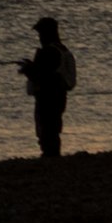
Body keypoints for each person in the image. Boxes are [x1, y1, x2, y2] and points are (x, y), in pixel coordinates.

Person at [15, 15, 77, 160]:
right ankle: (52, 154)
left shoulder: (49, 52)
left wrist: (27, 69)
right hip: (59, 95)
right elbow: (48, 71)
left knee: (47, 127)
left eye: (41, 33)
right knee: (52, 126)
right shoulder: (62, 49)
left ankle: (50, 155)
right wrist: (31, 66)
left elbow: (42, 75)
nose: (39, 37)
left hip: (48, 96)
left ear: (48, 33)